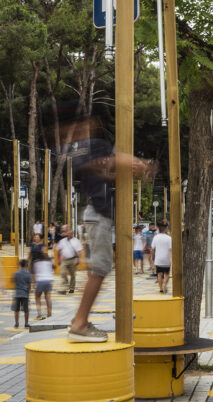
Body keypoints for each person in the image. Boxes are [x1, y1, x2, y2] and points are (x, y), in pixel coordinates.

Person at [51, 102, 155, 342]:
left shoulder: (84, 149)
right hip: (98, 215)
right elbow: (103, 164)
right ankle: (79, 323)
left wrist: (130, 166)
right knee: (99, 269)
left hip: (98, 214)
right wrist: (132, 164)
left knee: (98, 269)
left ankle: (79, 320)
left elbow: (102, 169)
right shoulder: (93, 146)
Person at [56, 225, 83, 294]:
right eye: (67, 233)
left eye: (70, 233)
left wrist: (79, 259)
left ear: (72, 234)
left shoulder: (76, 241)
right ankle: (65, 286)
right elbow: (59, 250)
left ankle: (72, 287)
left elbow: (79, 251)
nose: (69, 234)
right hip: (64, 260)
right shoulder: (62, 241)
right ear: (66, 234)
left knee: (73, 274)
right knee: (63, 273)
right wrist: (59, 259)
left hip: (73, 259)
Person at [34, 248, 55, 320]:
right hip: (49, 280)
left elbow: (36, 273)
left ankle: (39, 314)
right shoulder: (49, 262)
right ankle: (49, 313)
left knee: (37, 297)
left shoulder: (36, 262)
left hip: (41, 281)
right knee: (48, 297)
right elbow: (53, 268)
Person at [152, 222, 173, 294]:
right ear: (166, 229)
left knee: (159, 274)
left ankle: (161, 289)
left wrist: (153, 257)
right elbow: (171, 249)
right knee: (167, 274)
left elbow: (152, 248)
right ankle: (165, 284)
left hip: (158, 259)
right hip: (166, 259)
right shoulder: (169, 238)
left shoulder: (156, 237)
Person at [12, 258, 31, 329]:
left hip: (17, 293)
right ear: (26, 265)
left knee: (16, 310)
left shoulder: (16, 273)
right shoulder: (28, 273)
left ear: (19, 265)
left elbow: (14, 282)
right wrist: (28, 292)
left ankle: (16, 323)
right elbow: (29, 285)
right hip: (25, 294)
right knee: (26, 310)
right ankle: (26, 323)